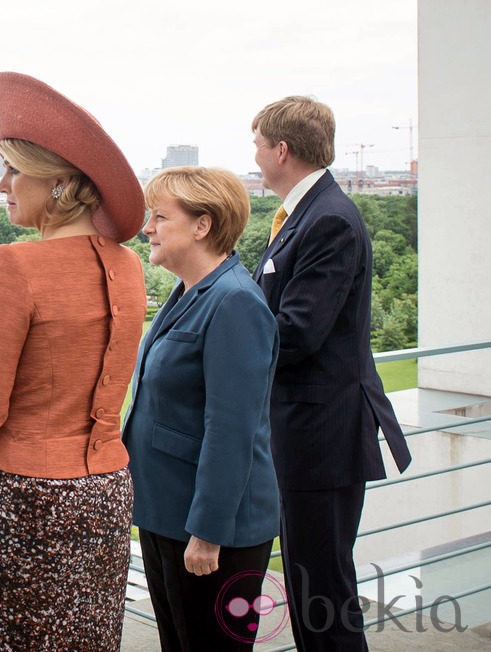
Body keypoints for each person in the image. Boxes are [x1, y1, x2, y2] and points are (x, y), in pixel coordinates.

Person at [0, 72, 147, 651]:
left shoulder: (16, 265)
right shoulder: (128, 266)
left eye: (13, 169)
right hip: (104, 492)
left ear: (57, 183)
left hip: (25, 498)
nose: (2, 183)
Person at [250, 96, 412, 651]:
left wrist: (223, 345)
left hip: (321, 437)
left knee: (323, 594)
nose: (253, 155)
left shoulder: (329, 220)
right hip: (304, 434)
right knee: (307, 585)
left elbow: (296, 331)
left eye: (257, 144)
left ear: (282, 149)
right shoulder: (306, 214)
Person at [122, 167, 280, 650]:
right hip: (166, 513)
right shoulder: (187, 292)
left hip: (213, 532)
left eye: (160, 217)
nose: (147, 228)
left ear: (202, 225)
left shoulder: (235, 303)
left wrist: (208, 533)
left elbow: (231, 429)